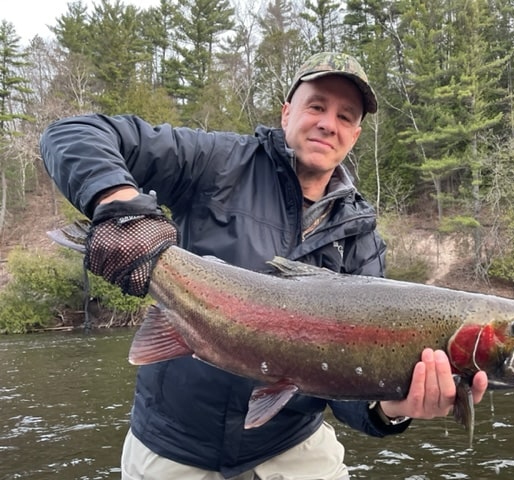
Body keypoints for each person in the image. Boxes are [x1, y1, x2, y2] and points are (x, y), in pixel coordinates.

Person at [40, 52, 488, 480]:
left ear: (354, 137)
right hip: (175, 439)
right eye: (317, 106)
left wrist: (392, 407)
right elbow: (72, 134)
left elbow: (347, 391)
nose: (328, 123)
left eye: (345, 116)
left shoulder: (360, 235)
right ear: (286, 113)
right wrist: (118, 204)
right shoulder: (218, 163)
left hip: (291, 440)